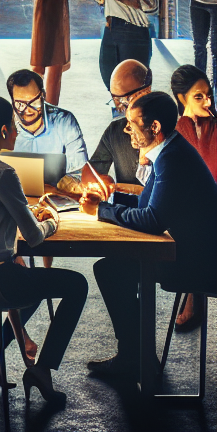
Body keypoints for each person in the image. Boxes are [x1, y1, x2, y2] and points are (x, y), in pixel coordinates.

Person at [0, 95, 87, 406]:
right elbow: (34, 237)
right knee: (77, 285)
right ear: (4, 130)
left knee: (27, 280)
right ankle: (43, 371)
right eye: (15, 126)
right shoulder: (2, 173)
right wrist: (52, 219)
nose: (18, 131)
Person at [81, 92, 217, 380]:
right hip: (188, 251)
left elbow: (153, 220)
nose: (127, 129)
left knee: (111, 269)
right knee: (111, 268)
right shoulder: (169, 150)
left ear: (154, 127)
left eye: (132, 123)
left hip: (198, 264)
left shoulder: (172, 158)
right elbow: (148, 206)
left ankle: (136, 357)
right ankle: (136, 355)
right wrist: (108, 202)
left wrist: (102, 211)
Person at [171, 64, 217, 333]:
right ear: (182, 98)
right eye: (198, 96)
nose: (208, 101)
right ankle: (193, 290)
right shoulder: (175, 131)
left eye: (209, 94)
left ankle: (193, 291)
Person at [7, 69, 88, 194]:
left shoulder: (64, 122)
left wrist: (61, 187)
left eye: (34, 102)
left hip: (57, 198)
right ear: (12, 102)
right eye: (20, 104)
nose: (28, 110)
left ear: (43, 95)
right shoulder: (5, 125)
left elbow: (81, 172)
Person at [88, 59, 152, 187]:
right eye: (114, 100)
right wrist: (98, 182)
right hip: (123, 205)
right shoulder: (115, 130)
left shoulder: (167, 129)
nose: (119, 108)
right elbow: (92, 171)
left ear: (145, 92)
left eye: (123, 100)